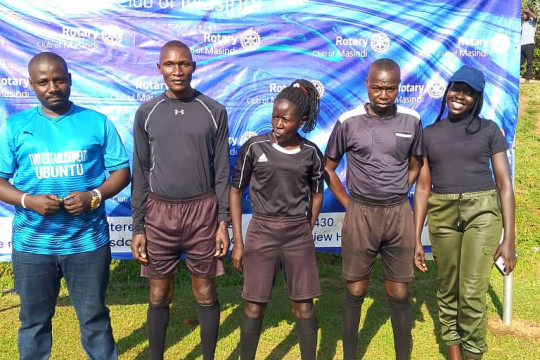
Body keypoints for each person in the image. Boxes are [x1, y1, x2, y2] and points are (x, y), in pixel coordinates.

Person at [0, 52, 130, 360]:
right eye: (43, 82)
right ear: (31, 85)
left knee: (94, 319)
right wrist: (26, 200)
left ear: (70, 80)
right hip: (33, 246)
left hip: (87, 243)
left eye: (59, 79)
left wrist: (94, 196)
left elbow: (122, 172)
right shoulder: (16, 126)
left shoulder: (96, 122)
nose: (52, 87)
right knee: (33, 322)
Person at [131, 40, 230, 360]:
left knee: (205, 291)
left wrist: (222, 221)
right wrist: (138, 227)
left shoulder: (214, 110)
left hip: (202, 212)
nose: (177, 70)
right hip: (159, 213)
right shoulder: (147, 112)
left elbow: (222, 171)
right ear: (159, 68)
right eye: (170, 64)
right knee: (159, 293)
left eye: (184, 64)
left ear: (194, 67)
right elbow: (141, 171)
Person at [413, 65, 516, 360]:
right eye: (456, 88)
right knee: (448, 290)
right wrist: (416, 238)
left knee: (471, 292)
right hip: (442, 213)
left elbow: (504, 185)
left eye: (469, 92)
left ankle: (473, 354)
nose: (460, 95)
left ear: (477, 98)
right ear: (447, 91)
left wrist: (509, 237)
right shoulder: (428, 133)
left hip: (482, 212)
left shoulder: (489, 130)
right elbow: (422, 188)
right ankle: (455, 353)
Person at [324, 58, 423, 360]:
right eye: (377, 87)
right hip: (361, 214)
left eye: (390, 88)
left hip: (397, 214)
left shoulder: (412, 120)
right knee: (355, 291)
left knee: (400, 293)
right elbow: (328, 168)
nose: (383, 94)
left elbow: (417, 163)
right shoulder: (348, 121)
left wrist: (400, 186)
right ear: (366, 85)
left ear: (398, 88)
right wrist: (349, 203)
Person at [229, 79, 324, 360]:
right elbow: (235, 191)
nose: (278, 124)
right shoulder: (255, 147)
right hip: (262, 230)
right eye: (274, 117)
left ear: (302, 121)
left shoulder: (311, 154)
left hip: (297, 233)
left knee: (304, 306)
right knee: (254, 305)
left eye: (285, 119)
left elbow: (316, 195)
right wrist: (239, 240)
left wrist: (307, 227)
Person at [521, 6, 537, 83]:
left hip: (529, 44)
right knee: (519, 62)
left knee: (529, 63)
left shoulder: (533, 22)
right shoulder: (523, 23)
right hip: (522, 45)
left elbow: (535, 17)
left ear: (528, 14)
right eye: (523, 14)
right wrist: (522, 11)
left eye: (524, 14)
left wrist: (528, 11)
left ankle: (527, 79)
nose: (523, 16)